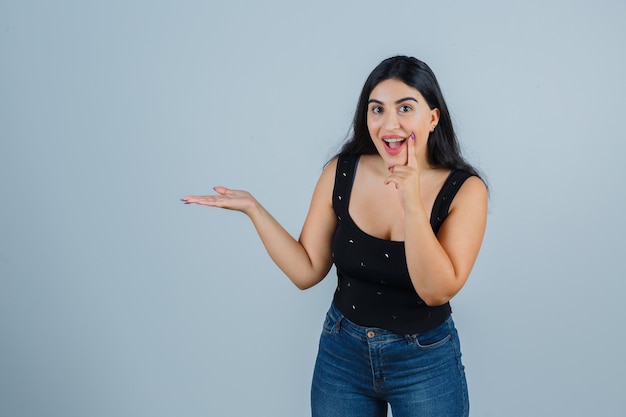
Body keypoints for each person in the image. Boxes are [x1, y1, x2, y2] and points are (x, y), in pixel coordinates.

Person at [181, 55, 488, 417]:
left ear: (433, 117)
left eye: (405, 108)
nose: (390, 123)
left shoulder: (465, 190)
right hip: (343, 354)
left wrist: (413, 204)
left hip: (423, 361)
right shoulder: (341, 171)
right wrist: (254, 210)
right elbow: (306, 270)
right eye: (377, 110)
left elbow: (436, 291)